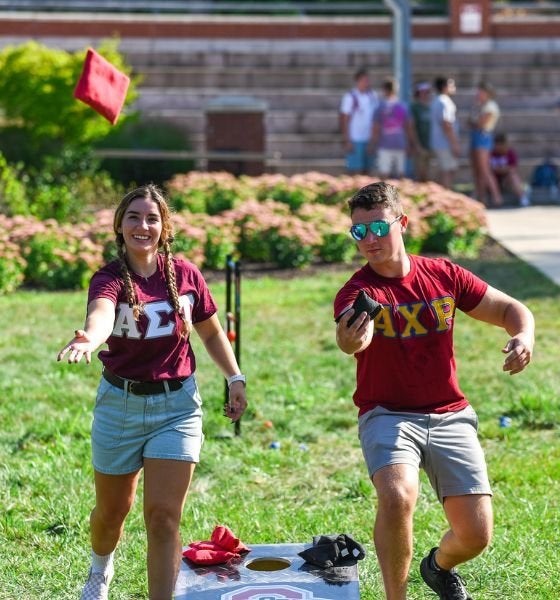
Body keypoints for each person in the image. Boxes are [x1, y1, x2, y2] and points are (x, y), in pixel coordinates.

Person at [334, 181, 534, 600]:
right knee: (397, 495)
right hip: (386, 414)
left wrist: (523, 336)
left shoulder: (443, 275)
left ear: (401, 223)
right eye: (358, 232)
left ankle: (438, 566)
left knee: (476, 535)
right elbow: (350, 339)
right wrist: (354, 336)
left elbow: (511, 309)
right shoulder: (358, 292)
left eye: (377, 228)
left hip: (450, 413)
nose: (368, 240)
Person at [57, 184, 247, 600]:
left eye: (152, 218)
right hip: (120, 407)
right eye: (134, 217)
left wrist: (234, 377)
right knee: (112, 513)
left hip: (177, 407)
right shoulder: (108, 279)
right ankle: (100, 570)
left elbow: (211, 333)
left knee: (162, 518)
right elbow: (101, 315)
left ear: (165, 227)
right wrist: (90, 338)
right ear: (119, 226)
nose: (143, 226)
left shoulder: (186, 276)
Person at [371, 77, 416, 179]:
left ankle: (383, 195)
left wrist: (372, 143)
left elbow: (376, 128)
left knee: (384, 176)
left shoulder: (379, 107)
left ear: (384, 89)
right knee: (401, 176)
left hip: (384, 145)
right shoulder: (403, 106)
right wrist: (411, 143)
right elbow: (409, 127)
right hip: (400, 144)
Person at [468, 81, 502, 207]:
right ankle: (481, 197)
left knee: (484, 169)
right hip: (477, 136)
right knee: (477, 170)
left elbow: (480, 124)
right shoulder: (480, 106)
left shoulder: (490, 106)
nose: (478, 94)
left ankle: (496, 196)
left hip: (483, 137)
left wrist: (474, 122)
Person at [339, 68, 379, 175]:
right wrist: (347, 139)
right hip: (355, 139)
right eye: (364, 80)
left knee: (368, 171)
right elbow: (344, 118)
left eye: (367, 80)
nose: (366, 82)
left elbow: (376, 119)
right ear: (357, 81)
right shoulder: (350, 96)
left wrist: (374, 139)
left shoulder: (373, 96)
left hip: (368, 139)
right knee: (356, 171)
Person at [430, 77, 460, 189]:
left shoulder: (437, 100)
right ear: (444, 87)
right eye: (451, 85)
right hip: (445, 143)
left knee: (445, 170)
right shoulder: (444, 102)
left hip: (440, 142)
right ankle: (447, 197)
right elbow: (447, 124)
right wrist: (454, 144)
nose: (454, 88)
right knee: (448, 171)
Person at [490, 132, 530, 207]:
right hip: (494, 180)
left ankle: (523, 198)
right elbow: (489, 169)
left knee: (512, 175)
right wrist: (502, 169)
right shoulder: (491, 153)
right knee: (488, 176)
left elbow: (512, 169)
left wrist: (500, 170)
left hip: (506, 180)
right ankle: (494, 198)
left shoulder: (510, 153)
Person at [410, 81, 432, 182]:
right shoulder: (415, 107)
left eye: (427, 92)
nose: (426, 94)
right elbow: (412, 127)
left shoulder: (431, 106)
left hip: (430, 144)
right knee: (421, 173)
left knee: (428, 174)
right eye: (423, 92)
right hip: (420, 145)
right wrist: (416, 145)